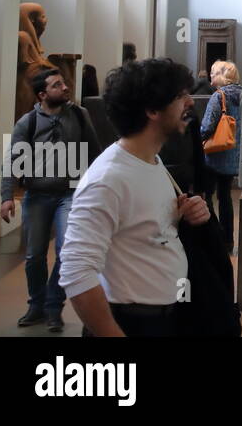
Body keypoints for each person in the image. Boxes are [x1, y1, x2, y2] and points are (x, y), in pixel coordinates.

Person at [60, 58, 212, 337]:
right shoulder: (107, 179)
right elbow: (76, 271)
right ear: (152, 110)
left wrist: (184, 214)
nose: (189, 103)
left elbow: (143, 227)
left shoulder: (151, 160)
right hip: (132, 323)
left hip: (167, 315)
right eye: (180, 96)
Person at [0, 69, 102, 332]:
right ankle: (36, 305)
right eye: (58, 85)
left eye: (64, 83)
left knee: (66, 253)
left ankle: (54, 307)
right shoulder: (28, 122)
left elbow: (94, 154)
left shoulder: (80, 115)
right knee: (34, 255)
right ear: (43, 94)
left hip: (70, 195)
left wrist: (98, 190)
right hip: (37, 196)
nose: (65, 87)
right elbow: (13, 161)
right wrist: (6, 197)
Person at [200, 60, 242, 253]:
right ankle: (228, 241)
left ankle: (214, 237)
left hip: (214, 156)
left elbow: (207, 127)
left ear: (223, 76)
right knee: (225, 198)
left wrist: (196, 139)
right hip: (233, 155)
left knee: (206, 196)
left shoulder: (218, 96)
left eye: (213, 72)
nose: (210, 75)